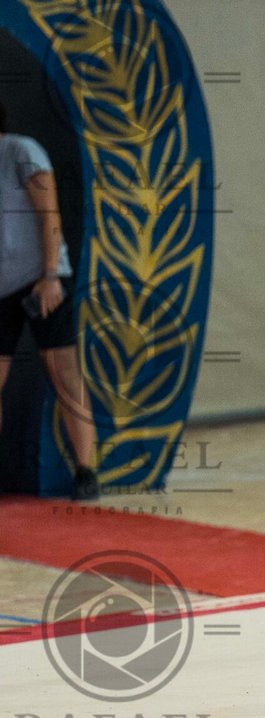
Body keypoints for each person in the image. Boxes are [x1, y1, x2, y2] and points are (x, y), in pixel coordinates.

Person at [0, 104, 97, 500]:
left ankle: (86, 471)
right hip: (3, 287)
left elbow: (49, 214)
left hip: (41, 280)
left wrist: (51, 275)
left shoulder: (21, 150)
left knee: (63, 372)